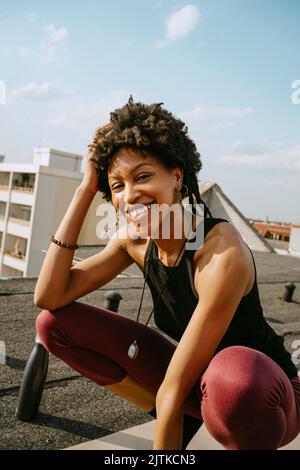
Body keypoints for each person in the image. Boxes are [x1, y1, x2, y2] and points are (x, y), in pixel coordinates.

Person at [34, 96, 300, 450]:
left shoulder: (219, 252)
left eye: (142, 176)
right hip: (199, 386)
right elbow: (49, 297)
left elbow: (173, 390)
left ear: (176, 177)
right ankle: (193, 420)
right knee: (53, 325)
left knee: (232, 379)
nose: (130, 196)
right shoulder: (133, 242)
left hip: (267, 397)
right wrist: (85, 189)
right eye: (117, 186)